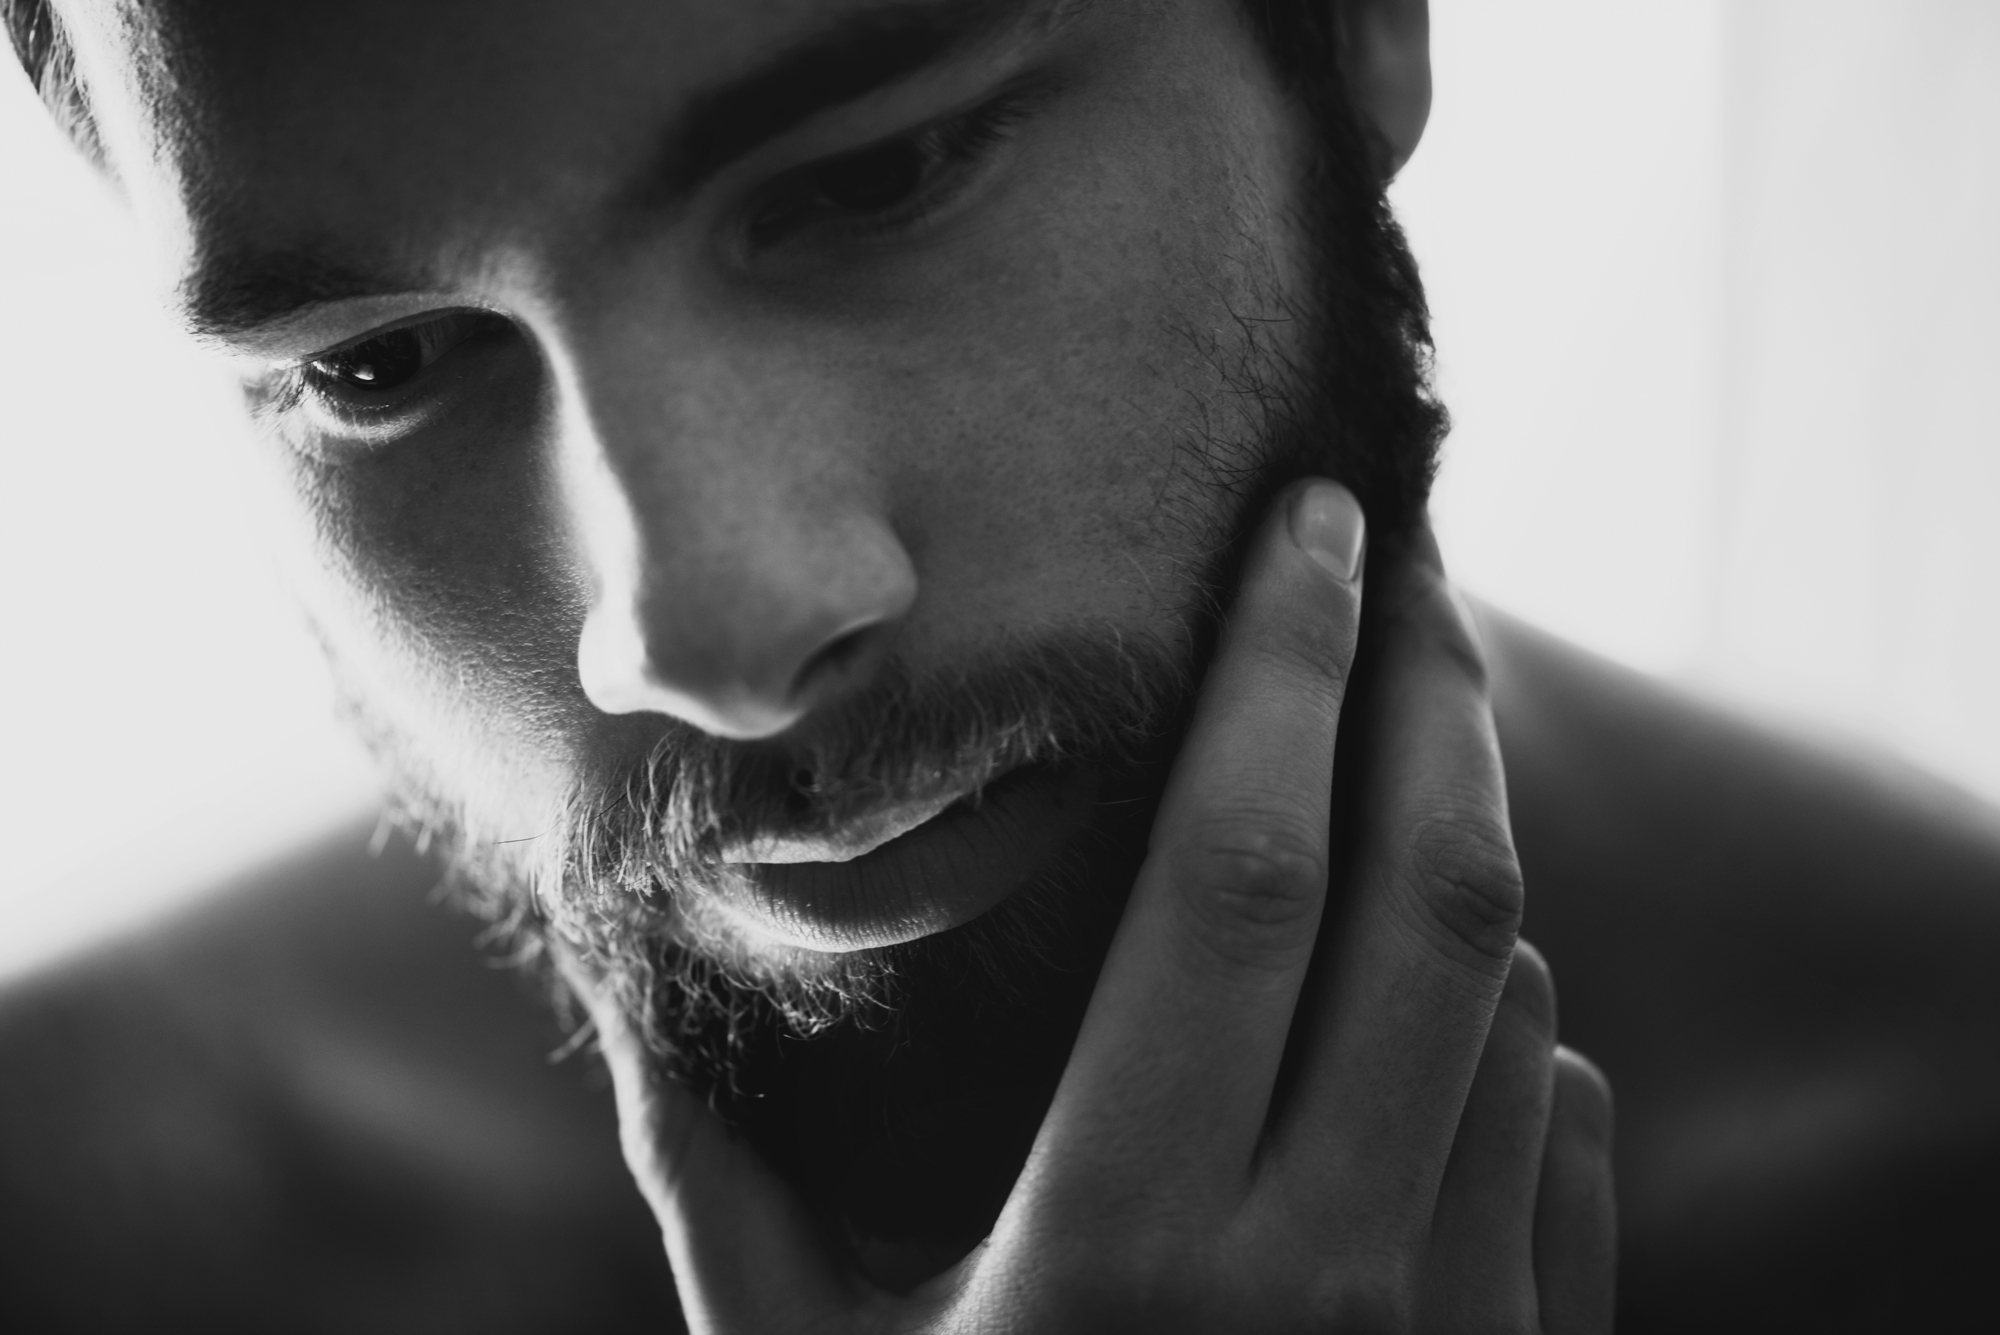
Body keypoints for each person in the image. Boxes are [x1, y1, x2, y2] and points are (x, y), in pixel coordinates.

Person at [1, 0, 1995, 1330]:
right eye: (373, 365)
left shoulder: (1938, 1141)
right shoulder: (82, 1230)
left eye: (872, 178)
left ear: (1349, 33)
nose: (707, 635)